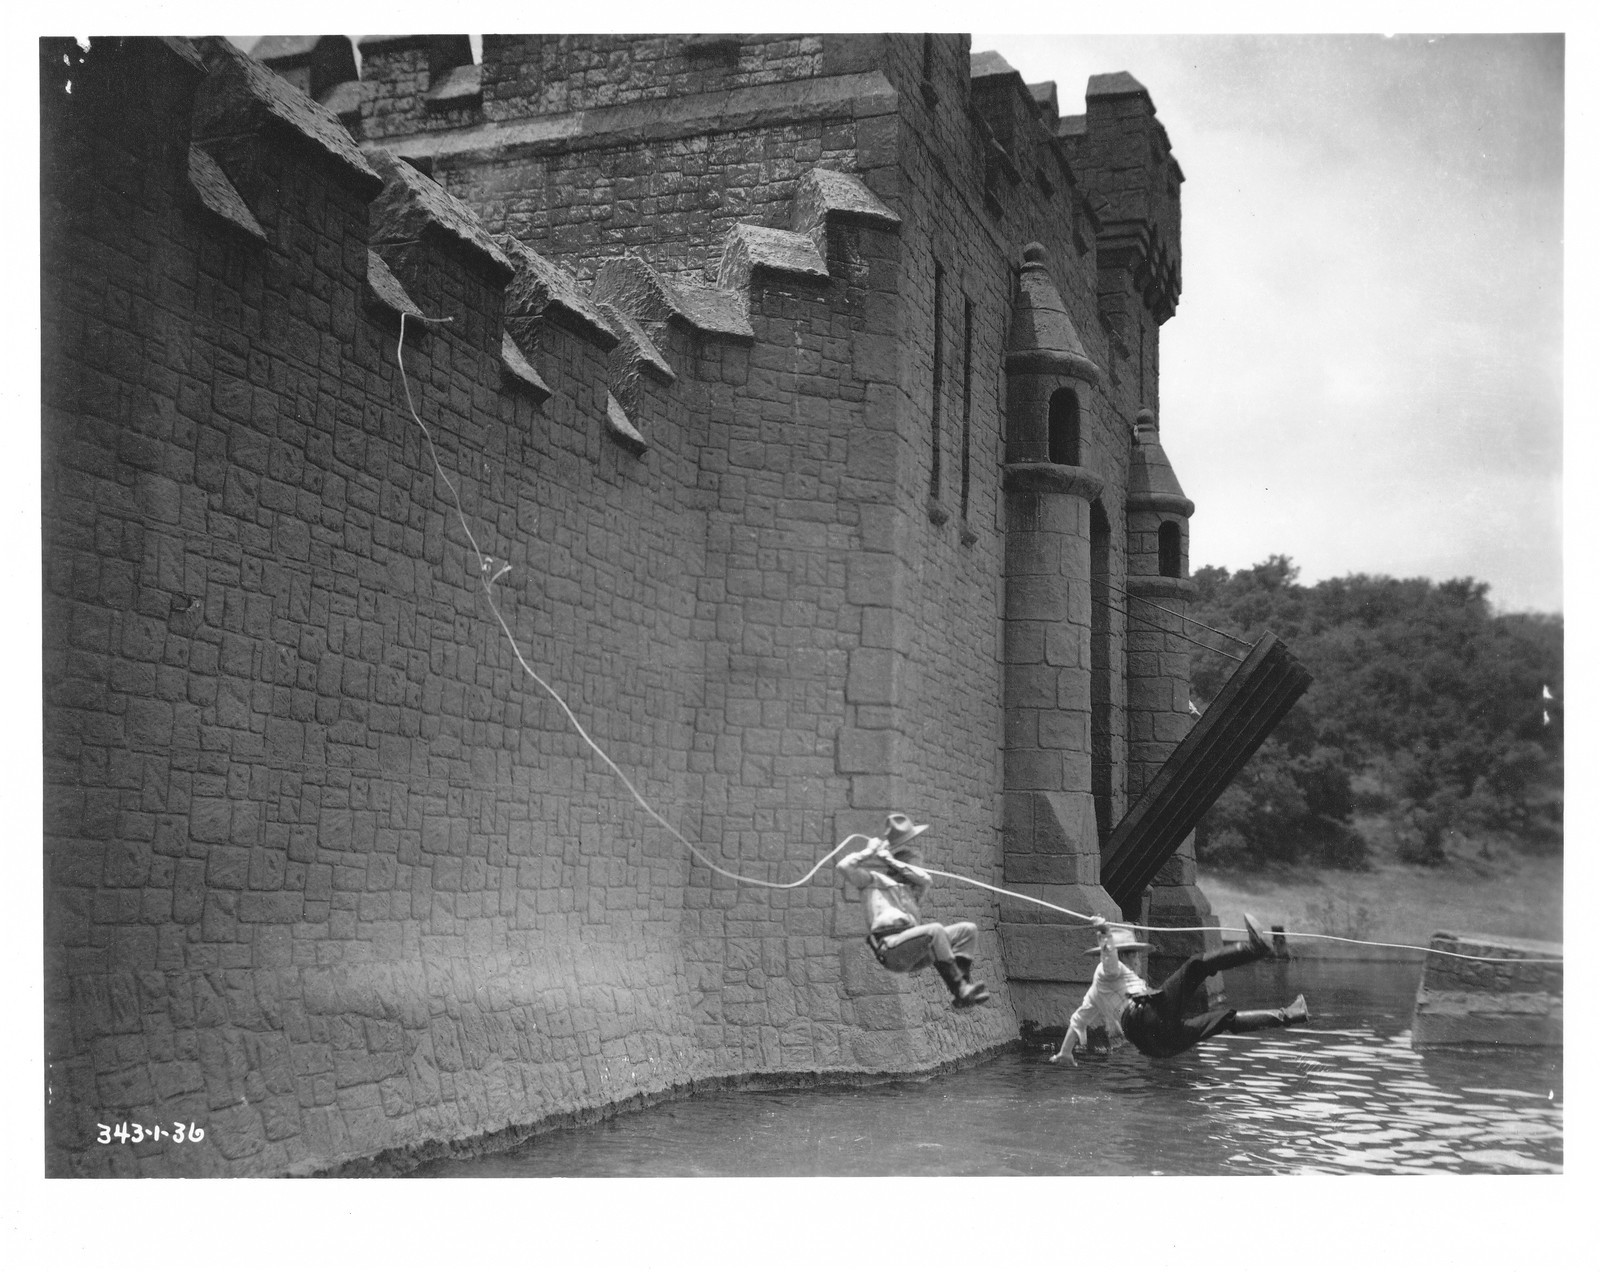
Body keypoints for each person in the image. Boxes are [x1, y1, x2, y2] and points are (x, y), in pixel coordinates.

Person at [1050, 913, 1308, 1065]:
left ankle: (1291, 1015)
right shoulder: (1109, 970)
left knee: (1223, 1020)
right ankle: (1254, 949)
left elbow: (1077, 1022)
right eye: (1135, 955)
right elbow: (1108, 960)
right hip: (1144, 1017)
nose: (1138, 961)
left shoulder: (1095, 993)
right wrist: (1104, 933)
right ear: (1126, 956)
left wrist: (1065, 1052)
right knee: (1196, 966)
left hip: (1156, 1046)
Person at [837, 813, 990, 1009]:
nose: (917, 871)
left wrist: (892, 861)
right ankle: (959, 988)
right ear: (901, 868)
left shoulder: (913, 891)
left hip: (916, 950)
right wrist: (869, 852)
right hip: (892, 949)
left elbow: (925, 879)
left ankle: (963, 989)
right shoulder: (873, 881)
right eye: (913, 866)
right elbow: (844, 866)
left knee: (968, 930)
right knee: (935, 930)